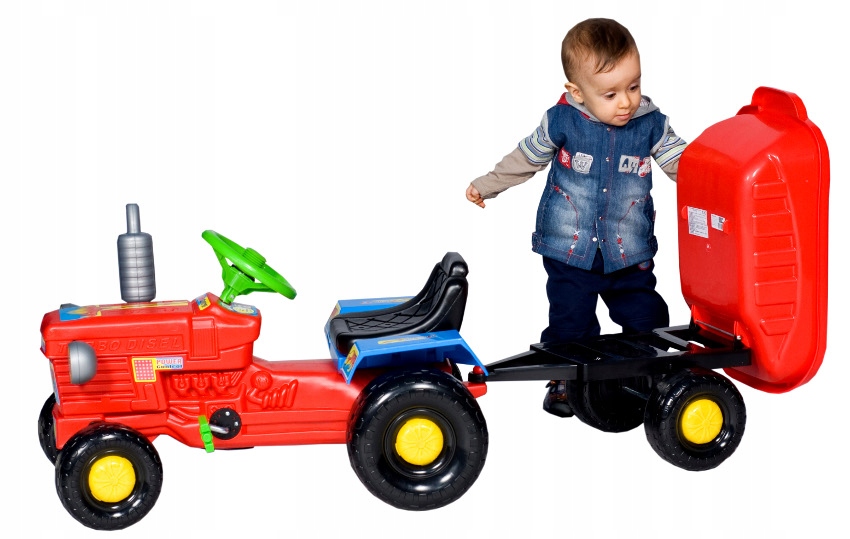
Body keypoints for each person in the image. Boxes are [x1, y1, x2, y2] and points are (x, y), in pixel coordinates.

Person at [465, 18, 687, 418]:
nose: (626, 102)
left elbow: (684, 162)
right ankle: (565, 381)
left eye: (633, 86)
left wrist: (720, 179)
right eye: (610, 94)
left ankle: (651, 376)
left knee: (648, 318)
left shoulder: (652, 125)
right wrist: (489, 184)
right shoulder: (562, 120)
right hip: (571, 248)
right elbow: (526, 158)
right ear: (577, 92)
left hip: (628, 250)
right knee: (570, 324)